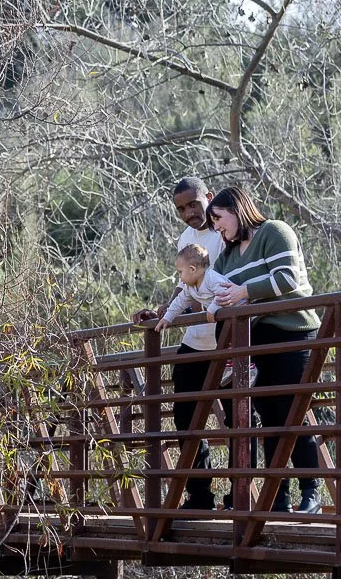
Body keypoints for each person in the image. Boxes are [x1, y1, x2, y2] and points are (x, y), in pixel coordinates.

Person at [207, 186, 323, 514]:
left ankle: (311, 491)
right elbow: (215, 290)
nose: (217, 227)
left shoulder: (274, 231)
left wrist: (243, 292)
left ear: (236, 208)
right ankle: (278, 498)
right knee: (270, 419)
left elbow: (287, 279)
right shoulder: (227, 255)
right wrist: (214, 306)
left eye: (218, 217)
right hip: (256, 341)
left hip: (292, 333)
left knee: (292, 414)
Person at [137, 179, 230, 510]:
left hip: (227, 339)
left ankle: (239, 495)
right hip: (195, 340)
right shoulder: (186, 238)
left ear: (208, 197)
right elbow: (185, 285)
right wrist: (163, 312)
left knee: (236, 417)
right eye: (181, 209)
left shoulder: (224, 232)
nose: (189, 213)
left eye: (193, 204)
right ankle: (200, 494)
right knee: (185, 417)